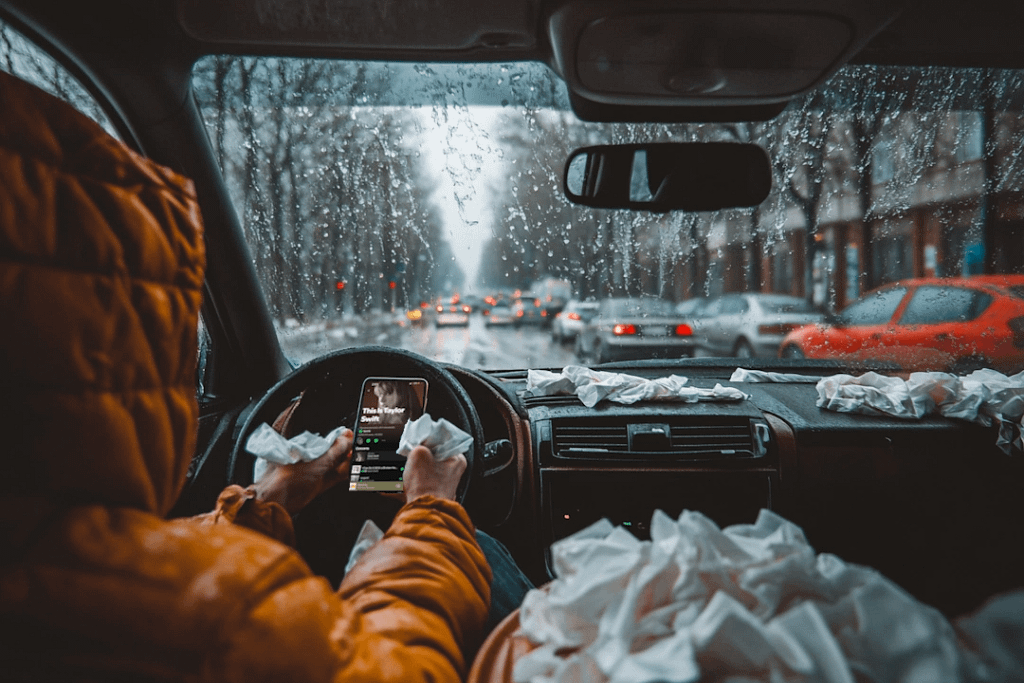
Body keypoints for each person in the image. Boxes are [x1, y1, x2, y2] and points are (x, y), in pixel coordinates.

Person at [0, 68, 501, 682]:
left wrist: (266, 504)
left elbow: (132, 553)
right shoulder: (225, 621)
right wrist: (431, 510)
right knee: (494, 563)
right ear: (114, 350)